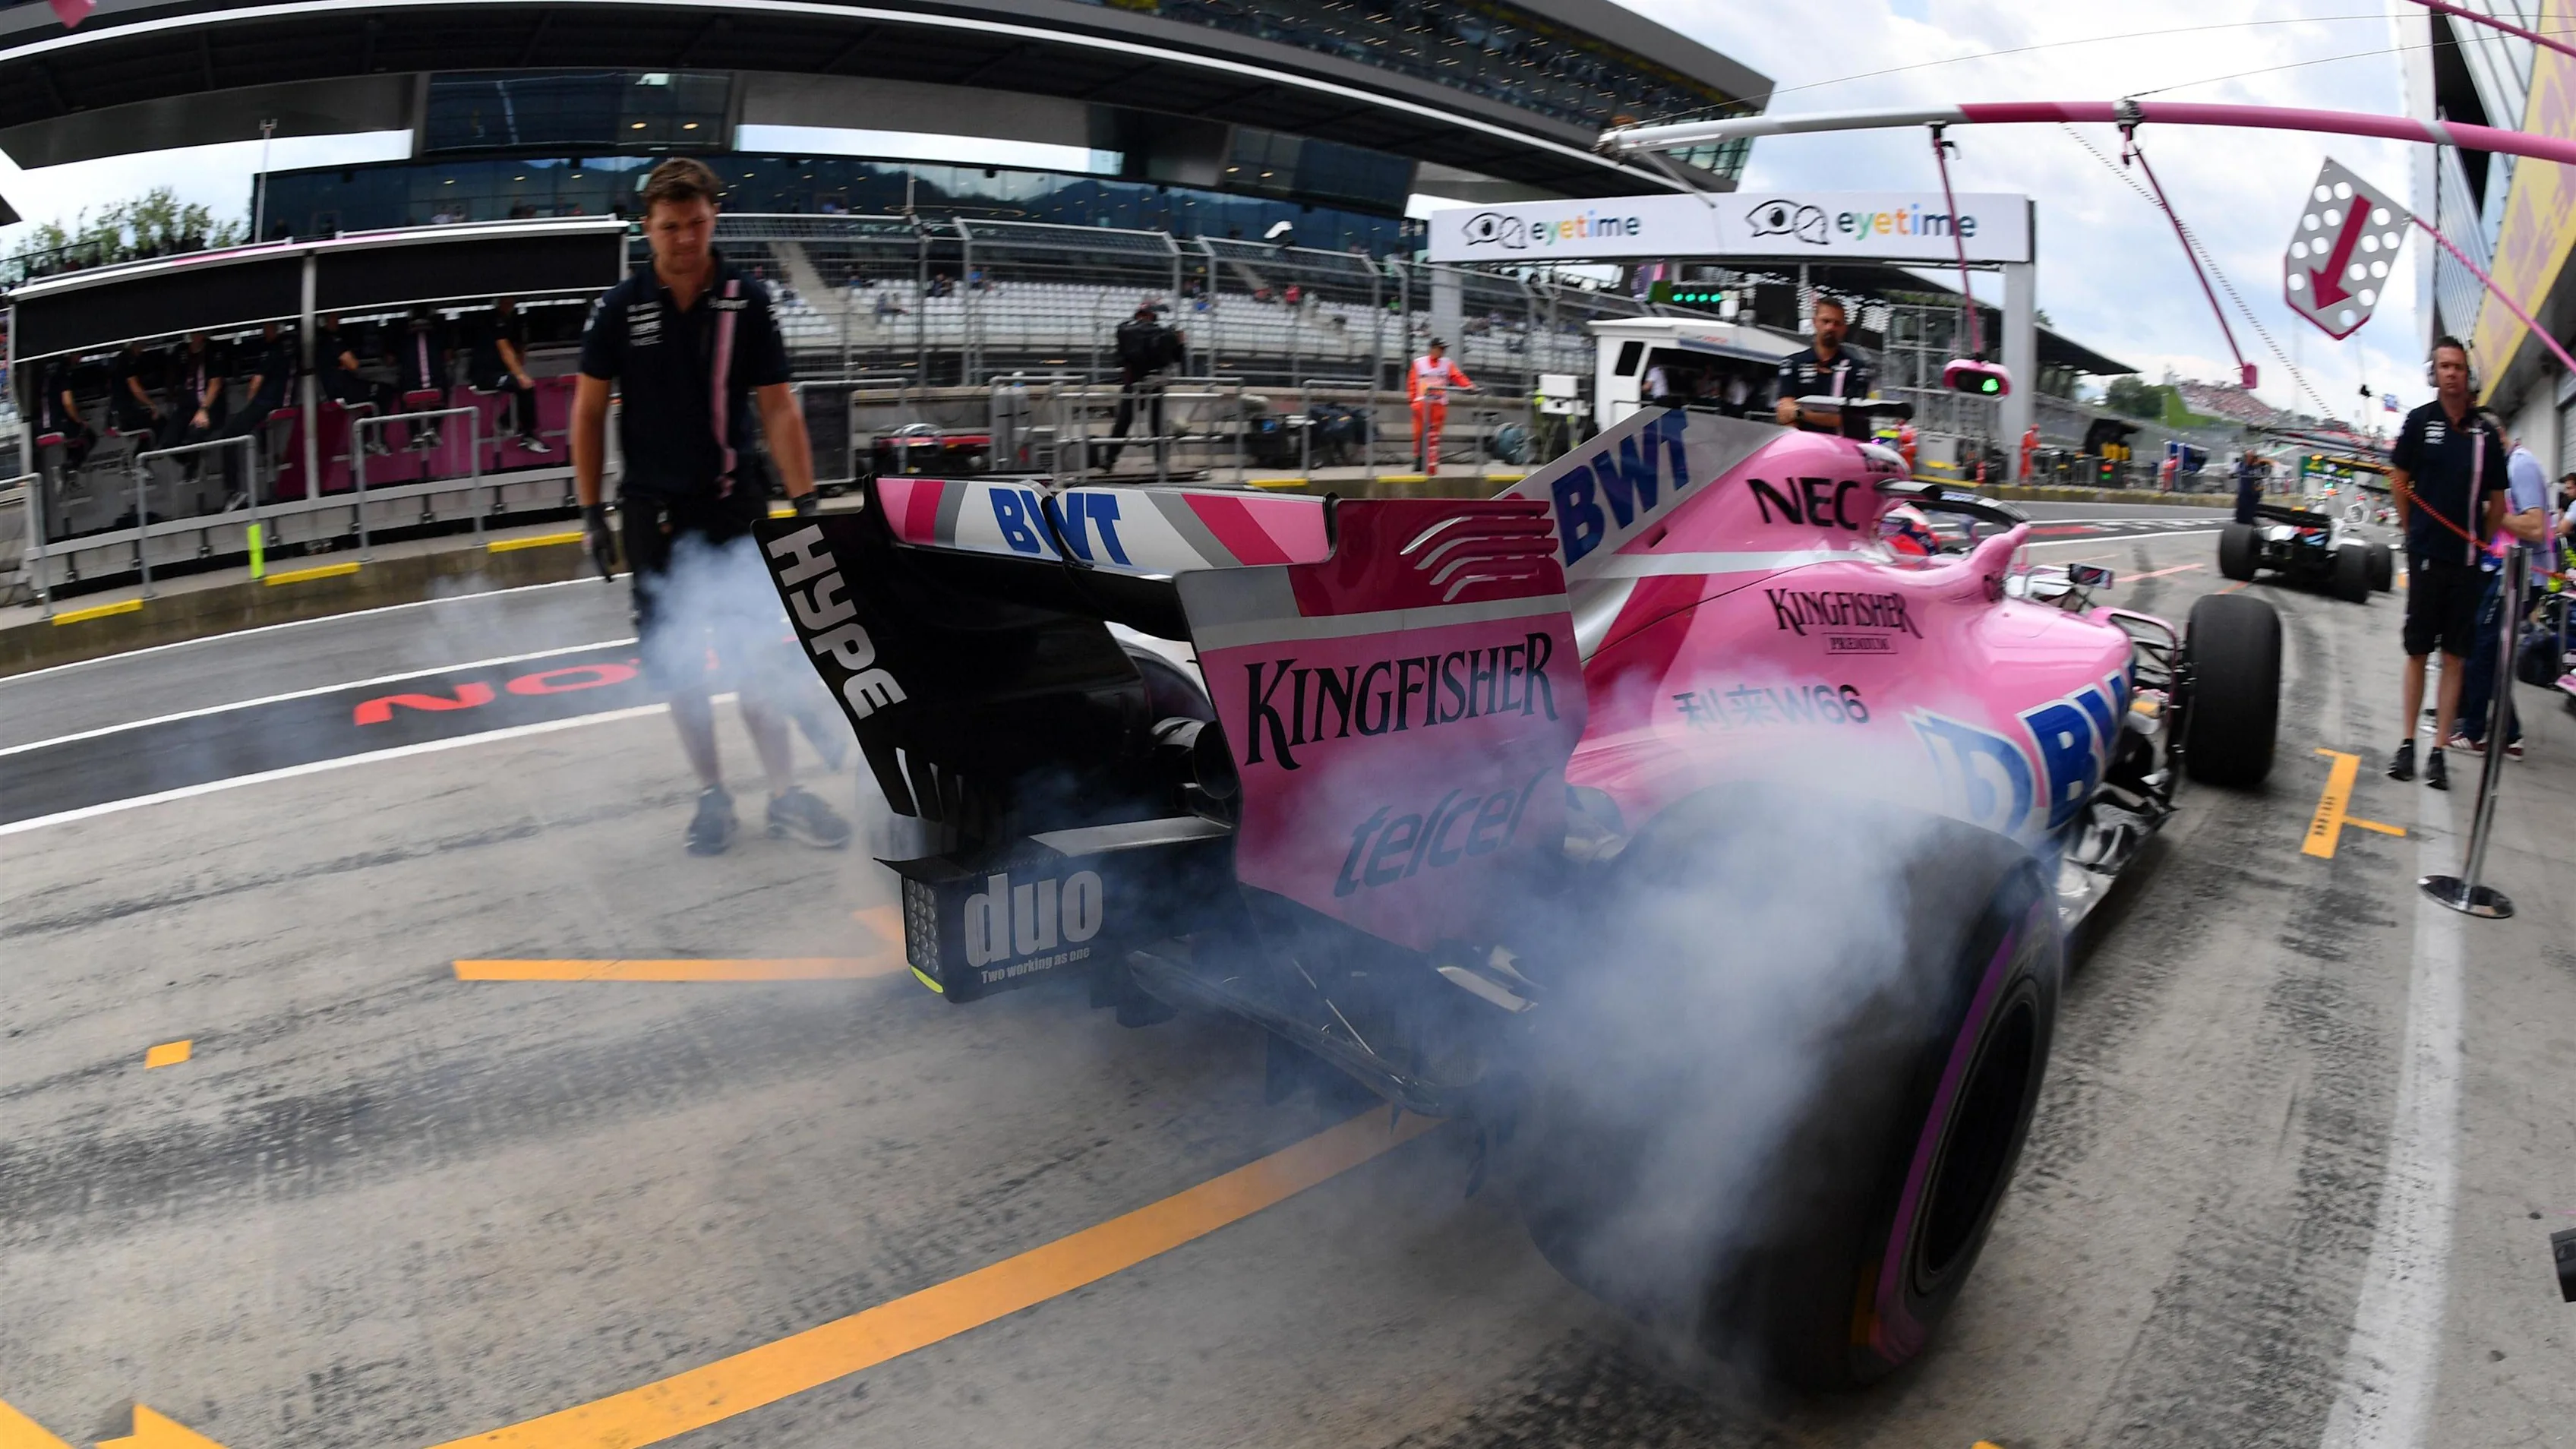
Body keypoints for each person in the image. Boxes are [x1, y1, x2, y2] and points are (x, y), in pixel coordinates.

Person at [572, 156, 850, 856]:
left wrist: (807, 504)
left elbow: (780, 410)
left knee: (751, 654)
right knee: (679, 666)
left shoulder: (746, 300)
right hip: (651, 512)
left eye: (696, 222)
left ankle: (786, 795)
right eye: (670, 226)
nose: (685, 238)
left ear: (713, 217)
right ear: (647, 228)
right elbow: (584, 411)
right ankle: (711, 794)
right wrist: (589, 510)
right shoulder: (620, 307)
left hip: (733, 506)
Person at [2386, 338, 2511, 789]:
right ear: (2433, 372)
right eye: (2444, 366)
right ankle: (2406, 743)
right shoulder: (2419, 422)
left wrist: (2483, 543)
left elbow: (2497, 500)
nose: (2452, 374)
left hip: (2466, 562)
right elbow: (2399, 480)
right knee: (2418, 650)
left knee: (2455, 656)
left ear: (2468, 374)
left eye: (2458, 367)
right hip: (2426, 556)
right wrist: (2412, 531)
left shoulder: (2485, 435)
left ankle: (2439, 749)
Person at [2453, 420, 2555, 761]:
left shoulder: (2520, 465)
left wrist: (2492, 512)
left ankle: (2475, 733)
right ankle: (2510, 735)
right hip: (2502, 572)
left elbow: (2537, 528)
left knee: (2483, 648)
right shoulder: (2506, 466)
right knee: (2491, 652)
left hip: (2520, 576)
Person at [213, 321, 295, 507]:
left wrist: (250, 405)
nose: (264, 330)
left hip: (267, 402)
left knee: (229, 435)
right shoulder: (288, 346)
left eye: (266, 326)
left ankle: (234, 490)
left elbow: (255, 383)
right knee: (255, 426)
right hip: (277, 400)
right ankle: (268, 451)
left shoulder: (273, 351)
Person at [1772, 296, 1875, 434]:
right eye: (1825, 321)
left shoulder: (1859, 369)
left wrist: (1799, 413)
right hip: (1803, 447)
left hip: (1841, 449)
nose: (1830, 327)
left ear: (1844, 328)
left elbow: (1847, 419)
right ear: (1815, 322)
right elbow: (1784, 414)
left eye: (1837, 323)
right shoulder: (1792, 364)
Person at [1103, 300, 1184, 473]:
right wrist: (1178, 342)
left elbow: (1120, 358)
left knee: (1144, 423)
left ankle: (1110, 460)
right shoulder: (1158, 332)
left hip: (1141, 382)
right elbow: (1176, 358)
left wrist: (1179, 343)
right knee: (1135, 422)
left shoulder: (1127, 330)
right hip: (1144, 381)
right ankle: (1111, 459)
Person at [467, 297, 551, 453]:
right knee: (523, 384)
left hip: (501, 372)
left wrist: (521, 365)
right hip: (484, 375)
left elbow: (518, 354)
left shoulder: (514, 321)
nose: (510, 303)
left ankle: (506, 421)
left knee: (525, 387)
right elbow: (505, 350)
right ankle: (528, 436)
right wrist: (520, 375)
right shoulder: (494, 318)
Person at [1408, 338, 1473, 474]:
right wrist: (1413, 401)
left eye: (1444, 349)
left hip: (1439, 404)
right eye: (1440, 348)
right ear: (1432, 349)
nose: (1443, 352)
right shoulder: (1419, 363)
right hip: (1422, 403)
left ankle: (1431, 461)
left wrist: (1469, 386)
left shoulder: (1447, 364)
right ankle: (1418, 458)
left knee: (1435, 434)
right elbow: (1412, 384)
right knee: (1419, 433)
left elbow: (1457, 376)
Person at [2233, 451, 2262, 525]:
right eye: (2248, 456)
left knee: (2250, 510)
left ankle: (2250, 521)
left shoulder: (2256, 467)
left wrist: (2258, 491)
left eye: (2251, 457)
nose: (2249, 458)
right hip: (2243, 491)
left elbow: (2259, 479)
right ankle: (2239, 521)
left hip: (2253, 493)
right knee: (2241, 509)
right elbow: (2235, 473)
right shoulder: (2241, 465)